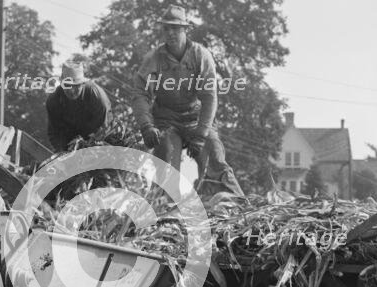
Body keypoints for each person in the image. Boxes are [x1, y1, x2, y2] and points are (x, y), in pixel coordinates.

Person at [132, 5, 244, 197]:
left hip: (195, 118)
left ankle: (235, 204)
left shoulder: (201, 56)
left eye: (175, 28)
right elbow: (140, 94)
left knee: (214, 155)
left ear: (186, 29)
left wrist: (201, 134)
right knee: (166, 157)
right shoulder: (154, 58)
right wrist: (146, 126)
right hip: (166, 120)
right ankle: (164, 209)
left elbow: (209, 97)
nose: (170, 33)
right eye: (166, 28)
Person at [46, 61, 113, 152]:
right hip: (70, 144)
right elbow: (55, 133)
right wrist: (63, 151)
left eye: (76, 86)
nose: (72, 90)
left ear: (83, 83)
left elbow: (104, 128)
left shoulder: (97, 98)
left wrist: (87, 148)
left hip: (99, 141)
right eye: (67, 85)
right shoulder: (54, 101)